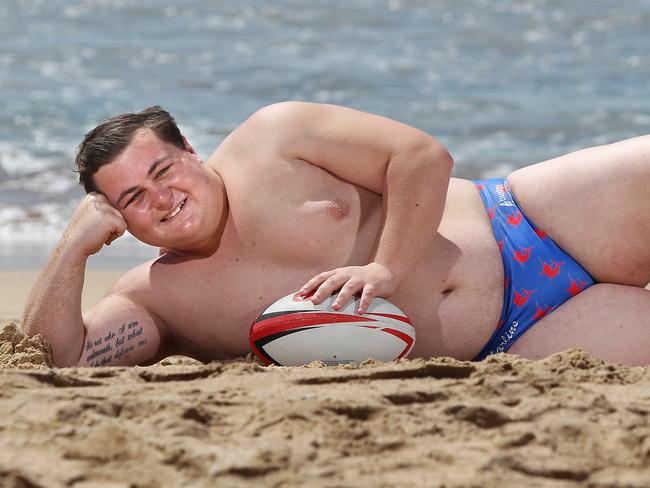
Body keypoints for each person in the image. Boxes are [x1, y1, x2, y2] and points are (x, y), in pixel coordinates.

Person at [22, 102, 650, 368]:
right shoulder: (156, 296)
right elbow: (57, 360)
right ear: (117, 217)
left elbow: (421, 157)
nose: (161, 198)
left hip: (530, 217)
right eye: (133, 197)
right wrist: (70, 248)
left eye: (163, 170)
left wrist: (385, 272)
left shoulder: (275, 138)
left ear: (189, 148)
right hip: (519, 340)